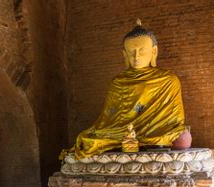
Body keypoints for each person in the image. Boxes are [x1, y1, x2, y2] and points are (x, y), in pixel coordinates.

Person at [61, 19, 190, 160]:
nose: (136, 57)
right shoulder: (118, 82)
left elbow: (174, 120)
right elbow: (109, 119)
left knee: (182, 138)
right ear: (124, 54)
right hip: (122, 133)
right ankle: (133, 142)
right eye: (131, 52)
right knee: (86, 139)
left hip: (155, 132)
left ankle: (144, 142)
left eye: (142, 51)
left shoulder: (168, 80)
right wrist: (118, 133)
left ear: (154, 51)